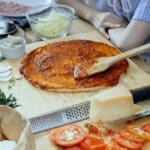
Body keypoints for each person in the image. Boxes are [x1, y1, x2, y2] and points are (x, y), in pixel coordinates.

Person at [57, 0, 150, 64]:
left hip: (142, 62)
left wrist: (105, 23)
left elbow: (126, 43)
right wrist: (94, 16)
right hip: (103, 40)